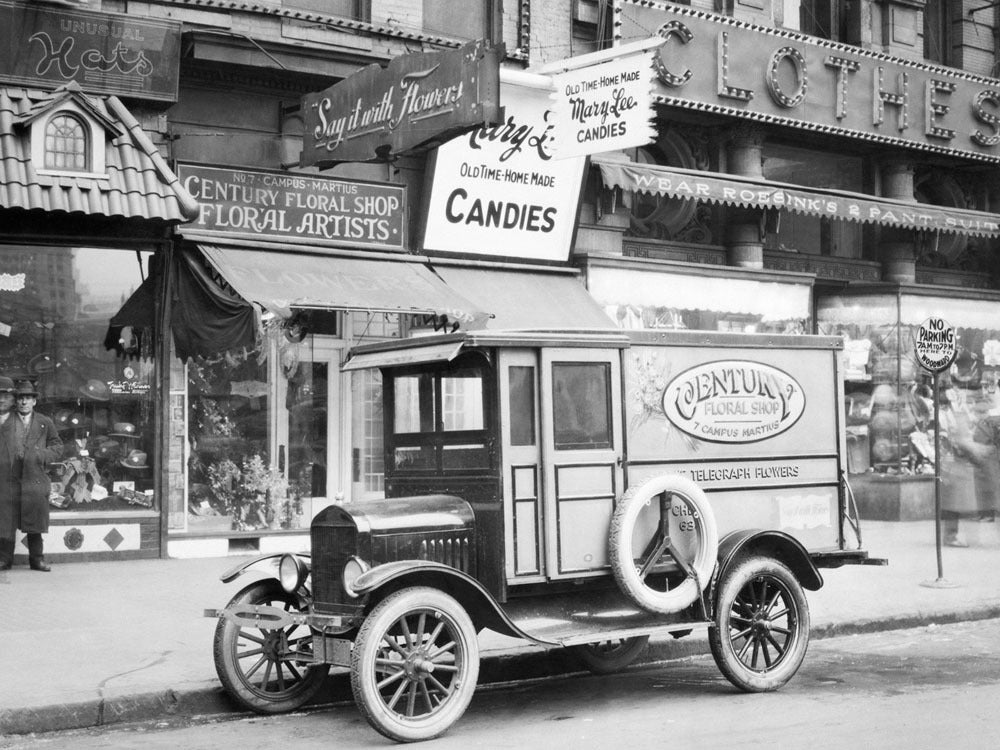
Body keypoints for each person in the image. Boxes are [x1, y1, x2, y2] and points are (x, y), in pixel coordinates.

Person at [0, 380, 62, 571]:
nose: (24, 402)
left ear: (34, 401)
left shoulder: (45, 422)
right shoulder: (6, 421)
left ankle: (37, 559)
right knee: (6, 521)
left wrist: (40, 455)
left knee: (34, 521)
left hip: (34, 477)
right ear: (16, 401)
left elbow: (58, 447)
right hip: (10, 478)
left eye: (28, 398)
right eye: (20, 399)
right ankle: (4, 559)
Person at [0, 375, 16, 570]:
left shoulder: (21, 421)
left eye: (6, 396)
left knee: (6, 518)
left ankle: (5, 557)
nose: (1, 399)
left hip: (10, 478)